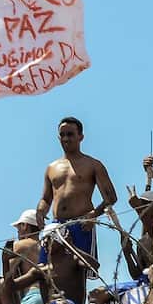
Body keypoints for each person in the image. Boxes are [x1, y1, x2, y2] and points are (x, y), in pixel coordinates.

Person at [35, 115, 116, 275]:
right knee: (46, 271)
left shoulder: (93, 164)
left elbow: (111, 197)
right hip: (56, 226)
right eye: (62, 135)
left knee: (79, 272)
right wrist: (40, 211)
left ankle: (77, 301)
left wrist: (93, 215)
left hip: (81, 225)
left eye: (70, 134)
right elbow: (46, 198)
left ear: (81, 137)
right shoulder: (52, 167)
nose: (65, 138)